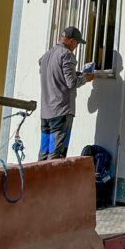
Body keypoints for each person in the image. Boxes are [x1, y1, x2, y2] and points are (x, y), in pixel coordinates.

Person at [38, 26, 95, 160]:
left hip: (46, 112)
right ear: (70, 41)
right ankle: (53, 181)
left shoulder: (46, 55)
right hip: (61, 111)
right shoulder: (67, 55)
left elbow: (53, 76)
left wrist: (74, 74)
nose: (76, 46)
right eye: (77, 43)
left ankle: (39, 180)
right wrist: (85, 78)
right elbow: (71, 83)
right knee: (56, 154)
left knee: (44, 152)